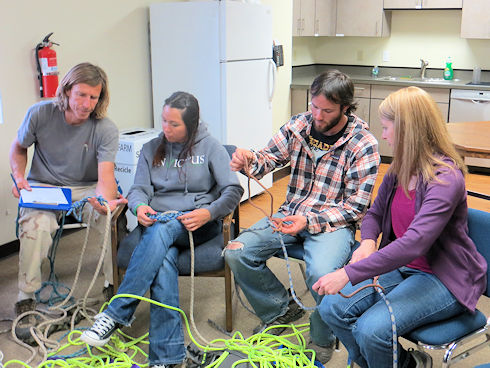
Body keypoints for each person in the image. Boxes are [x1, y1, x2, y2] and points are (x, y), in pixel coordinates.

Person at [314, 86, 488, 368]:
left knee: (372, 330)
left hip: (444, 277)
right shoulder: (400, 168)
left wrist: (348, 273)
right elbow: (373, 214)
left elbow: (414, 244)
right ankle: (402, 364)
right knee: (332, 309)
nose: (383, 135)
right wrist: (369, 241)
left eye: (386, 127)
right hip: (404, 267)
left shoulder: (446, 179)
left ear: (408, 130)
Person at [223, 70, 380, 363]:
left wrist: (310, 221)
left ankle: (323, 336)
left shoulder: (363, 145)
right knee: (236, 252)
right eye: (314, 106)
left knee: (322, 275)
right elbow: (267, 160)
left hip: (333, 224)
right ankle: (280, 310)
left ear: (345, 107)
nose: (317, 116)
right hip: (291, 213)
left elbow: (357, 208)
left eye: (327, 111)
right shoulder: (299, 125)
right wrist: (248, 159)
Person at [81, 91, 243, 368]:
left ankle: (117, 312)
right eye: (164, 121)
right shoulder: (151, 148)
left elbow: (233, 189)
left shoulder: (211, 148)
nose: (165, 129)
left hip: (197, 224)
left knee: (162, 231)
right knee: (164, 256)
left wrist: (208, 213)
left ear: (191, 125)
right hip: (159, 222)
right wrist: (138, 207)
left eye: (174, 124)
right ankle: (165, 358)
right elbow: (139, 189)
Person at [9, 62, 126, 320]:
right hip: (45, 186)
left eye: (93, 97)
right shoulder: (40, 113)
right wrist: (19, 178)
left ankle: (112, 286)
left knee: (109, 219)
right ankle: (25, 296)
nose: (86, 104)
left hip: (85, 189)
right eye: (81, 95)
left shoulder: (105, 128)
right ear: (67, 91)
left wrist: (104, 201)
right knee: (35, 225)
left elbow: (105, 176)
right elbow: (18, 147)